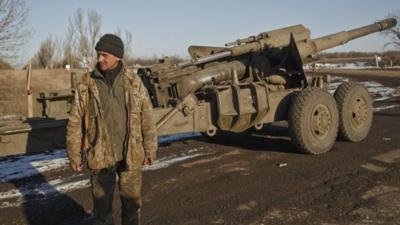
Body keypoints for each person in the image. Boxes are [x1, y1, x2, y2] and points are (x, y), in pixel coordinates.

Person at [66, 33, 157, 225]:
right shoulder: (86, 84)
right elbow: (75, 121)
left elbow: (147, 117)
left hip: (130, 155)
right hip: (100, 157)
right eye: (98, 54)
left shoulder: (133, 82)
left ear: (117, 56)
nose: (99, 59)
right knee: (102, 210)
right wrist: (74, 153)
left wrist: (150, 148)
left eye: (104, 55)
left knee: (132, 204)